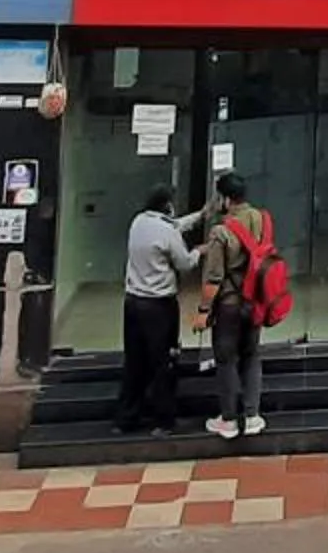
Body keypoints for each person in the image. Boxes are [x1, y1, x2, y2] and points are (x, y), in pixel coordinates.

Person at [116, 184, 206, 435]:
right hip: (158, 306)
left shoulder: (139, 222)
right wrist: (199, 251)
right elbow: (185, 263)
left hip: (133, 302)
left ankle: (126, 418)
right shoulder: (166, 232)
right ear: (167, 205)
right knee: (163, 363)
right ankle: (164, 420)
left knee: (134, 361)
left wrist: (200, 215)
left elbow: (174, 225)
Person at [193, 172, 271, 440]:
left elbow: (213, 278)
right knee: (251, 356)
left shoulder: (221, 231)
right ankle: (252, 416)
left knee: (226, 360)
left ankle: (228, 419)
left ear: (226, 199)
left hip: (229, 305)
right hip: (255, 302)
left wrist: (203, 311)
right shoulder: (261, 219)